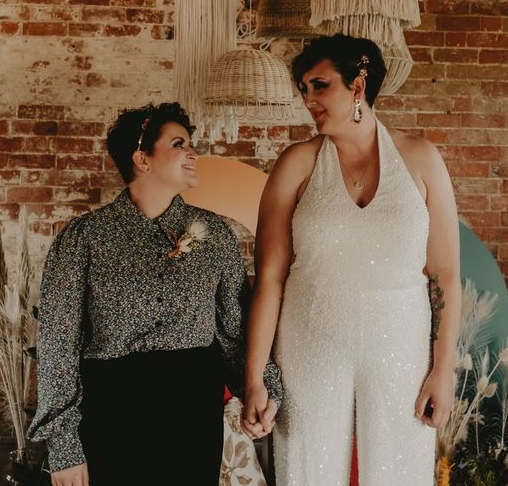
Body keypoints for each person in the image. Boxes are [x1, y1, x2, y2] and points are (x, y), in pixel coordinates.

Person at [242, 34, 461, 485]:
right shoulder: (296, 164)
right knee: (307, 472)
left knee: (400, 475)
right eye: (303, 88)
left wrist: (443, 370)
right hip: (308, 344)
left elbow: (445, 273)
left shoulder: (422, 159)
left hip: (401, 348)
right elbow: (268, 278)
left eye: (319, 86)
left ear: (358, 85)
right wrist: (255, 377)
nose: (308, 99)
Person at [28, 102, 282, 486]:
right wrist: (64, 445)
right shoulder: (83, 238)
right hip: (111, 409)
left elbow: (235, 331)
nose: (193, 152)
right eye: (179, 143)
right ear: (142, 159)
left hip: (191, 408)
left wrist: (261, 389)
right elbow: (56, 344)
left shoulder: (214, 235)